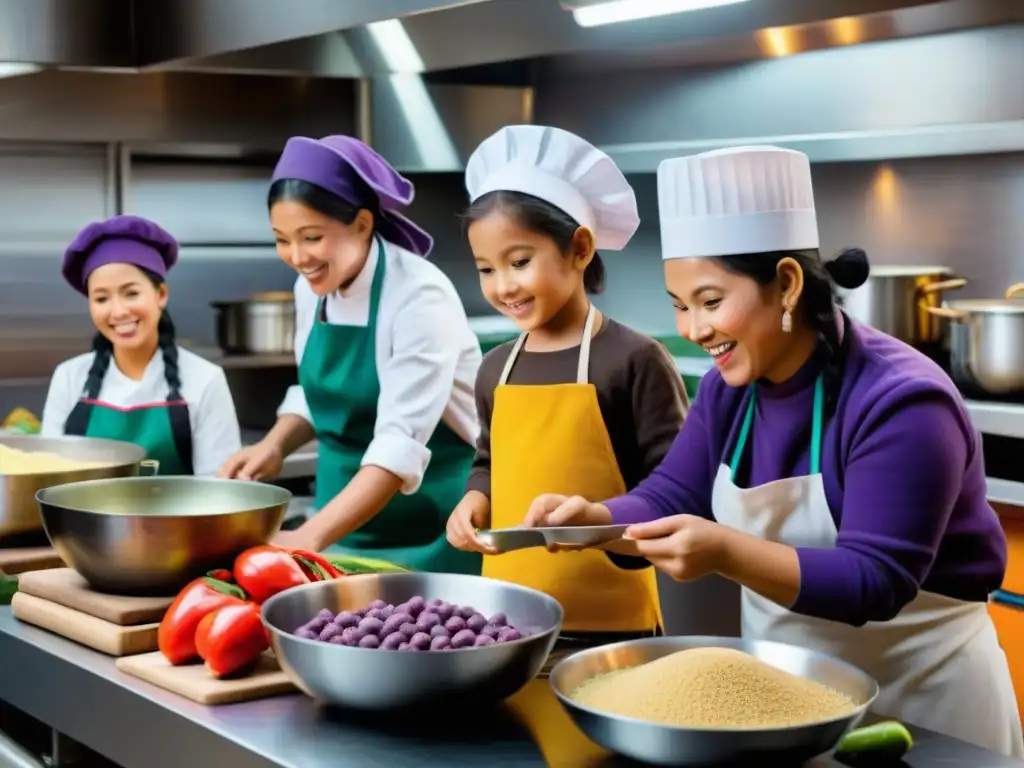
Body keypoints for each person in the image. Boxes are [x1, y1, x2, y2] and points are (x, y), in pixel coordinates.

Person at [524, 145, 1024, 756]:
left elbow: (877, 581)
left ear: (786, 284)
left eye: (710, 302)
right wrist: (597, 521)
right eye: (679, 306)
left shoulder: (903, 402)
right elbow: (671, 495)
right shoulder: (729, 389)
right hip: (785, 706)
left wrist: (723, 550)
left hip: (926, 708)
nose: (693, 329)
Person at [446, 125, 689, 643]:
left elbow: (677, 489)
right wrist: (474, 498)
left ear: (579, 249)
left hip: (613, 625)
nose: (503, 286)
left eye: (519, 262)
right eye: (486, 269)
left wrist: (599, 525)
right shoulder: (494, 368)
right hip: (506, 624)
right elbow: (490, 459)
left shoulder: (635, 359)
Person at [217, 135, 482, 574]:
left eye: (312, 237)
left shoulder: (420, 295)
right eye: (282, 240)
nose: (297, 257)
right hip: (338, 521)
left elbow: (400, 444)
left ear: (361, 224)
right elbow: (316, 390)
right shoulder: (312, 287)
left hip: (429, 528)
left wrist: (307, 537)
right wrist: (274, 445)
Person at [41, 215, 241, 476]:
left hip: (180, 518)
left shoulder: (205, 380)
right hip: (83, 519)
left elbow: (220, 488)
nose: (118, 311)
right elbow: (49, 477)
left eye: (131, 293)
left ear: (161, 295)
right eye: (101, 298)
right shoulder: (69, 378)